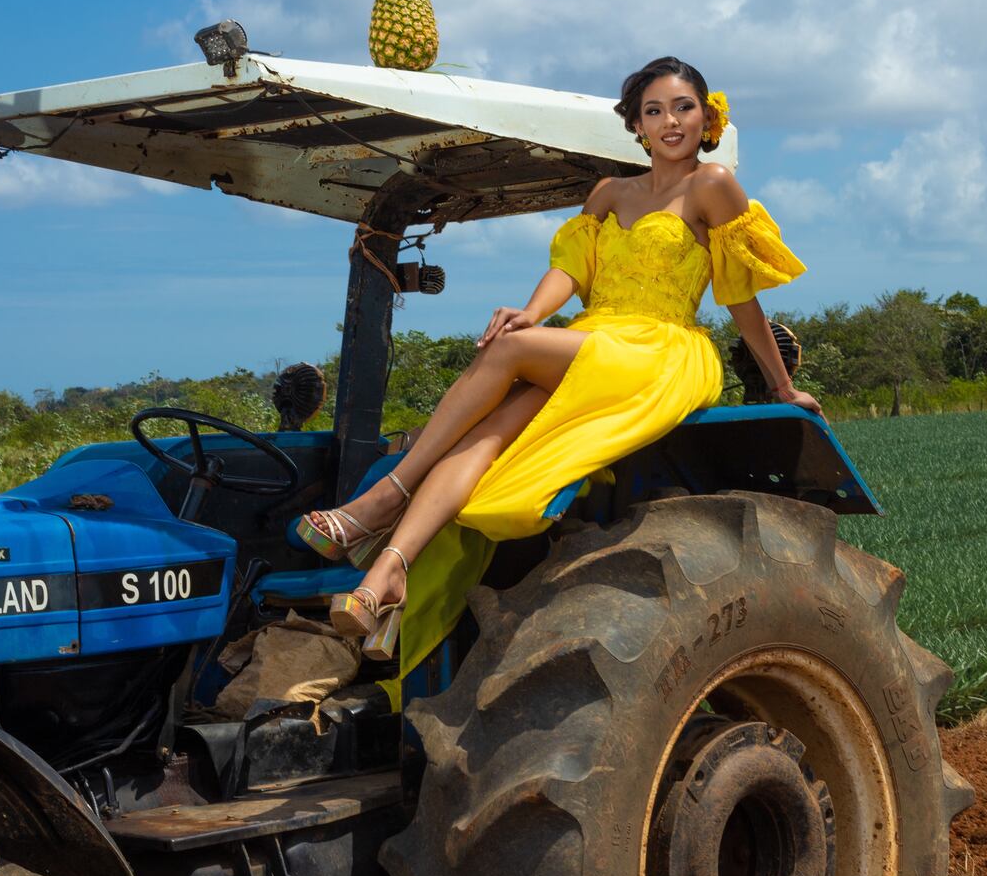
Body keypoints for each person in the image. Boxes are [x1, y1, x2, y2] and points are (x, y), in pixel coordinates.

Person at [297, 56, 820, 662]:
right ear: (637, 126)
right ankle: (385, 573)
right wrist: (532, 311)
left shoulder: (713, 185)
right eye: (655, 110)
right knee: (486, 433)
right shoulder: (609, 193)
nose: (670, 121)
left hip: (660, 347)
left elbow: (741, 298)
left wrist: (782, 389)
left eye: (684, 107)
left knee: (512, 347)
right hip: (594, 339)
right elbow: (569, 270)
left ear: (706, 117)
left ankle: (382, 500)